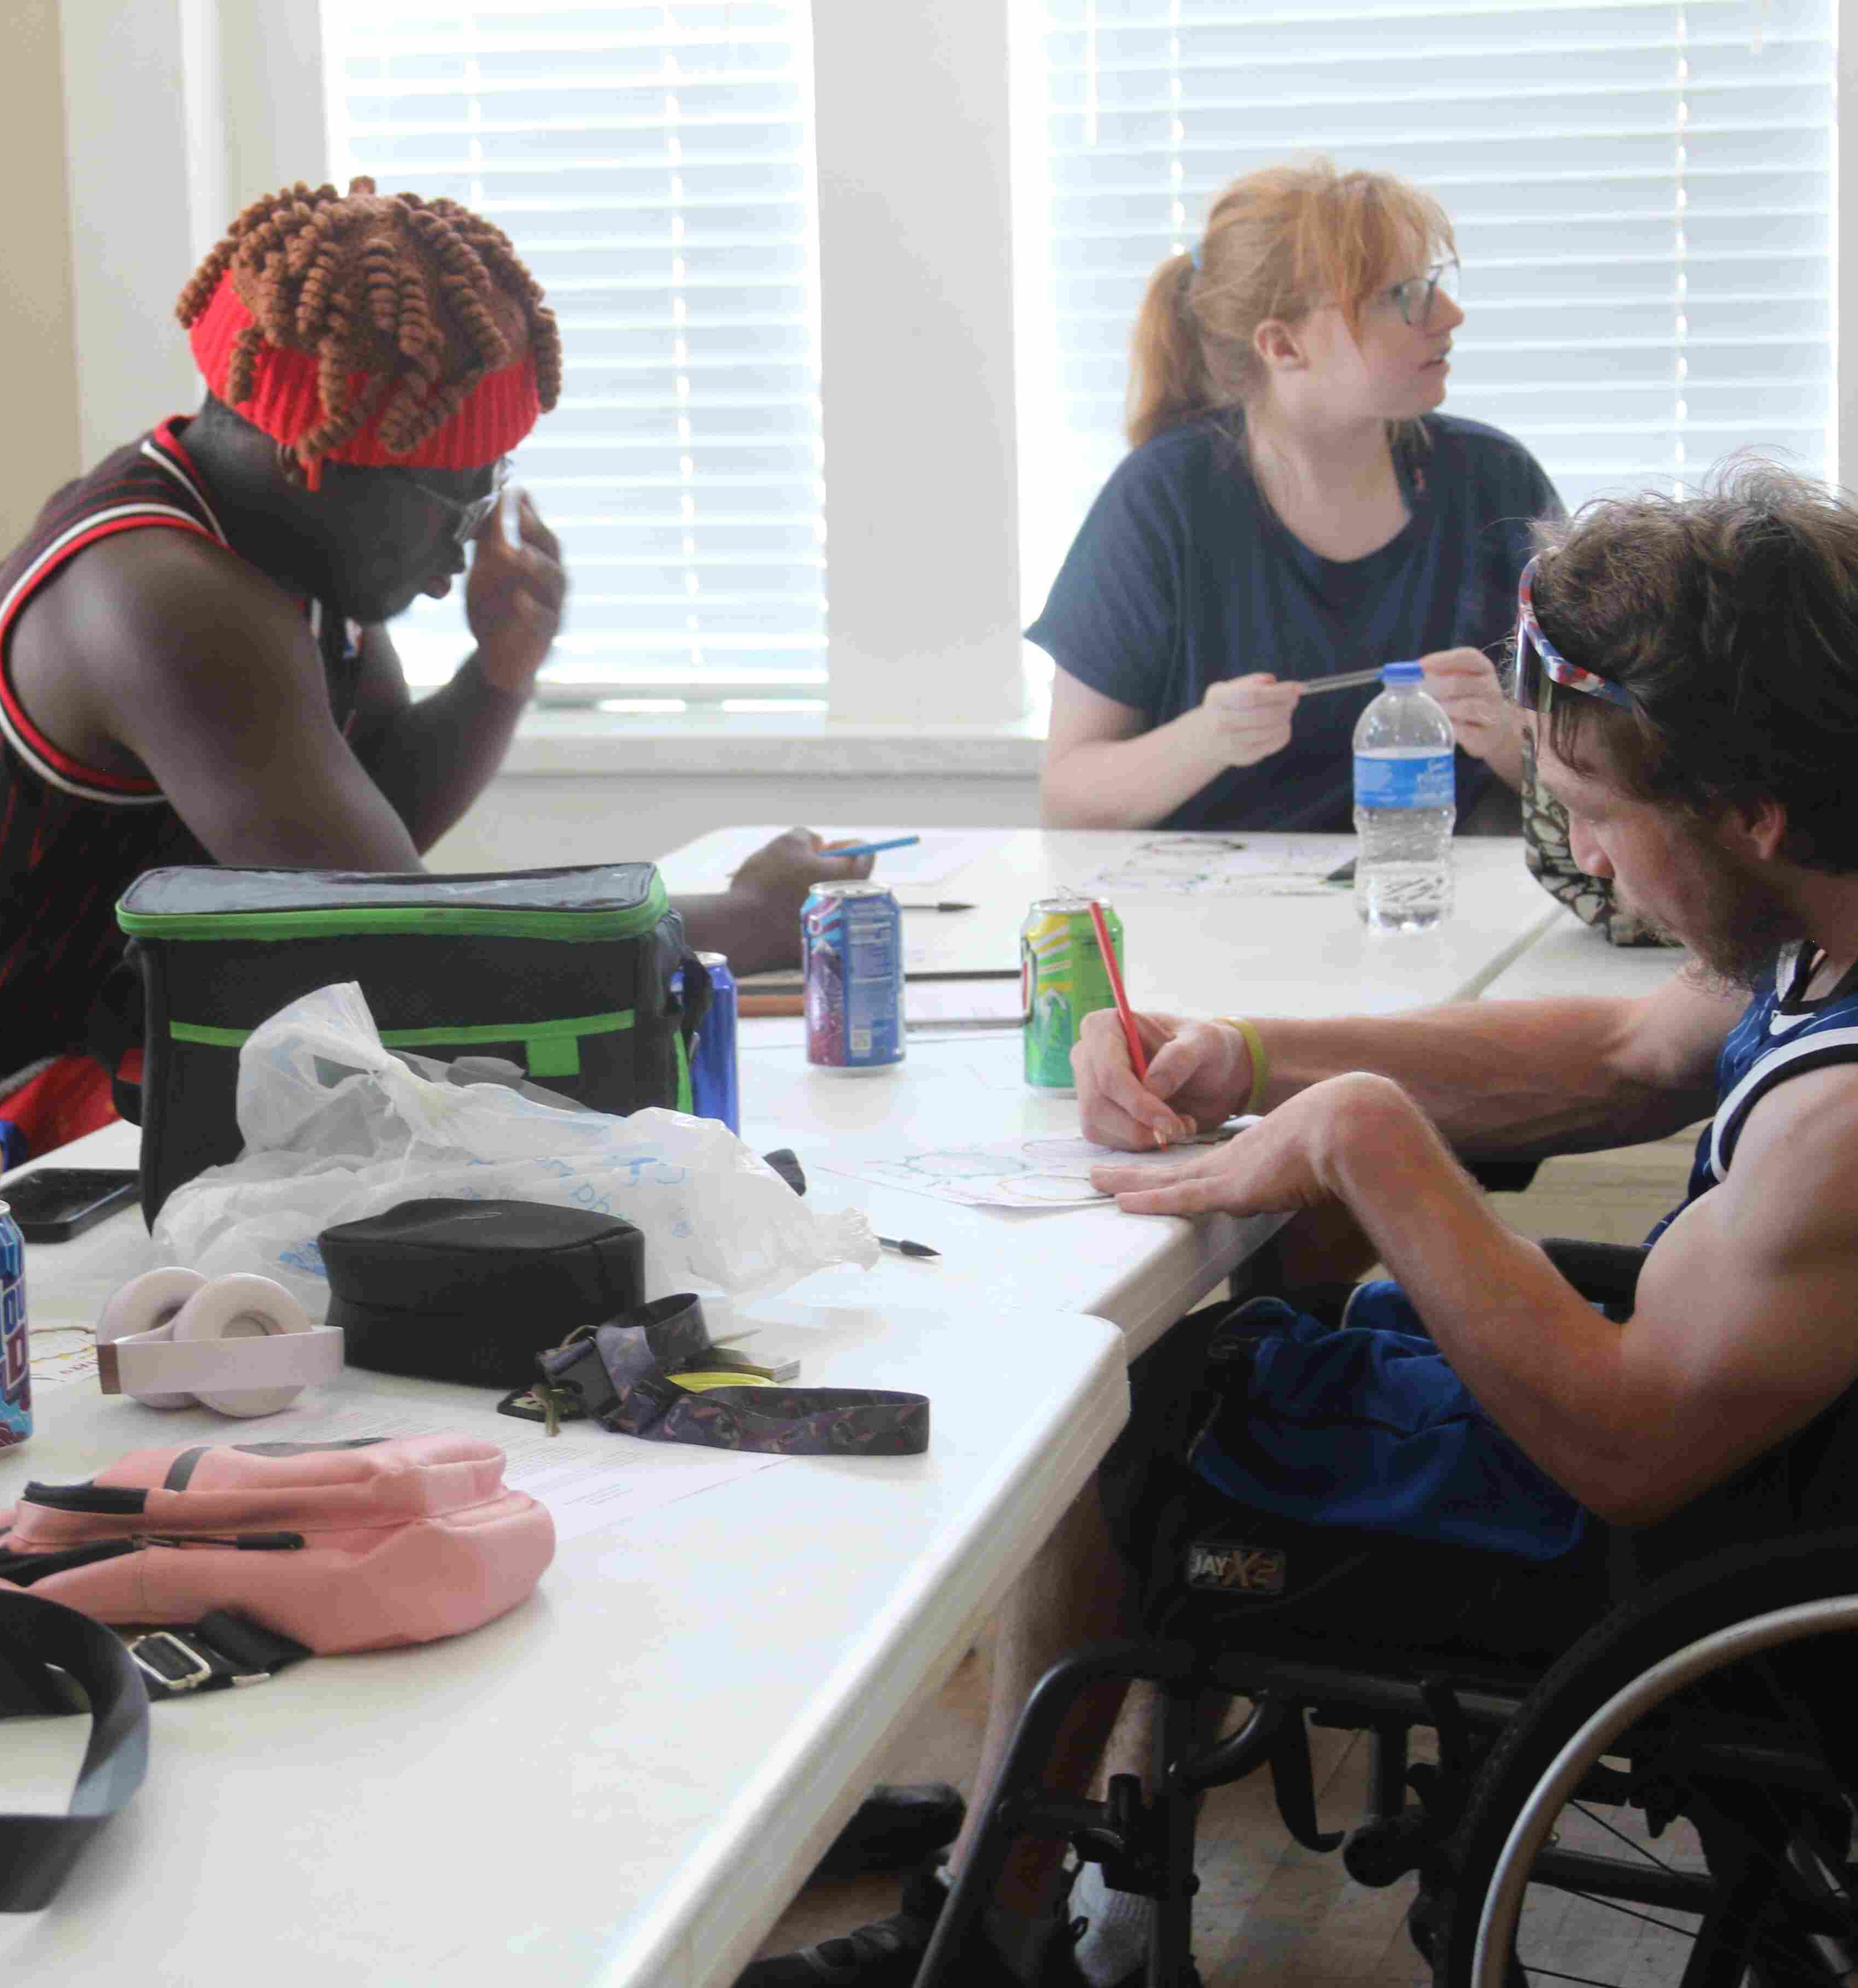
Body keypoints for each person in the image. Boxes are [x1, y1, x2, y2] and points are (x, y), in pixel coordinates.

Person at [752, 463, 1858, 1986]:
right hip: (1731, 1458)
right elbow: (1618, 1060)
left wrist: (1365, 1142)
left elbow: (1627, 1453)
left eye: (1601, 815)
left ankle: (1000, 1926)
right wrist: (1254, 1055)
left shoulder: (1842, 1128)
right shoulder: (1814, 923)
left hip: (1671, 1558)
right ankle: (1079, 1877)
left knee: (1122, 1423)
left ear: (1752, 806)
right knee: (1261, 1337)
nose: (1588, 859)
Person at [0, 178, 867, 1155]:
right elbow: (401, 939)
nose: (469, 541)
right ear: (311, 462)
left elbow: (367, 821)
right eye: (456, 498)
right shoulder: (166, 596)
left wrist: (495, 672)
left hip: (109, 1079)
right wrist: (747, 918)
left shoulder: (275, 538)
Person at [1034, 160, 1559, 834]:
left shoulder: (1496, 481)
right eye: (1401, 295)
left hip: (1428, 903)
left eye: (1433, 285)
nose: (1449, 315)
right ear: (1282, 345)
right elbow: (1067, 799)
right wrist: (1204, 740)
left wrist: (1506, 736)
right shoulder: (1163, 499)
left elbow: (1604, 785)